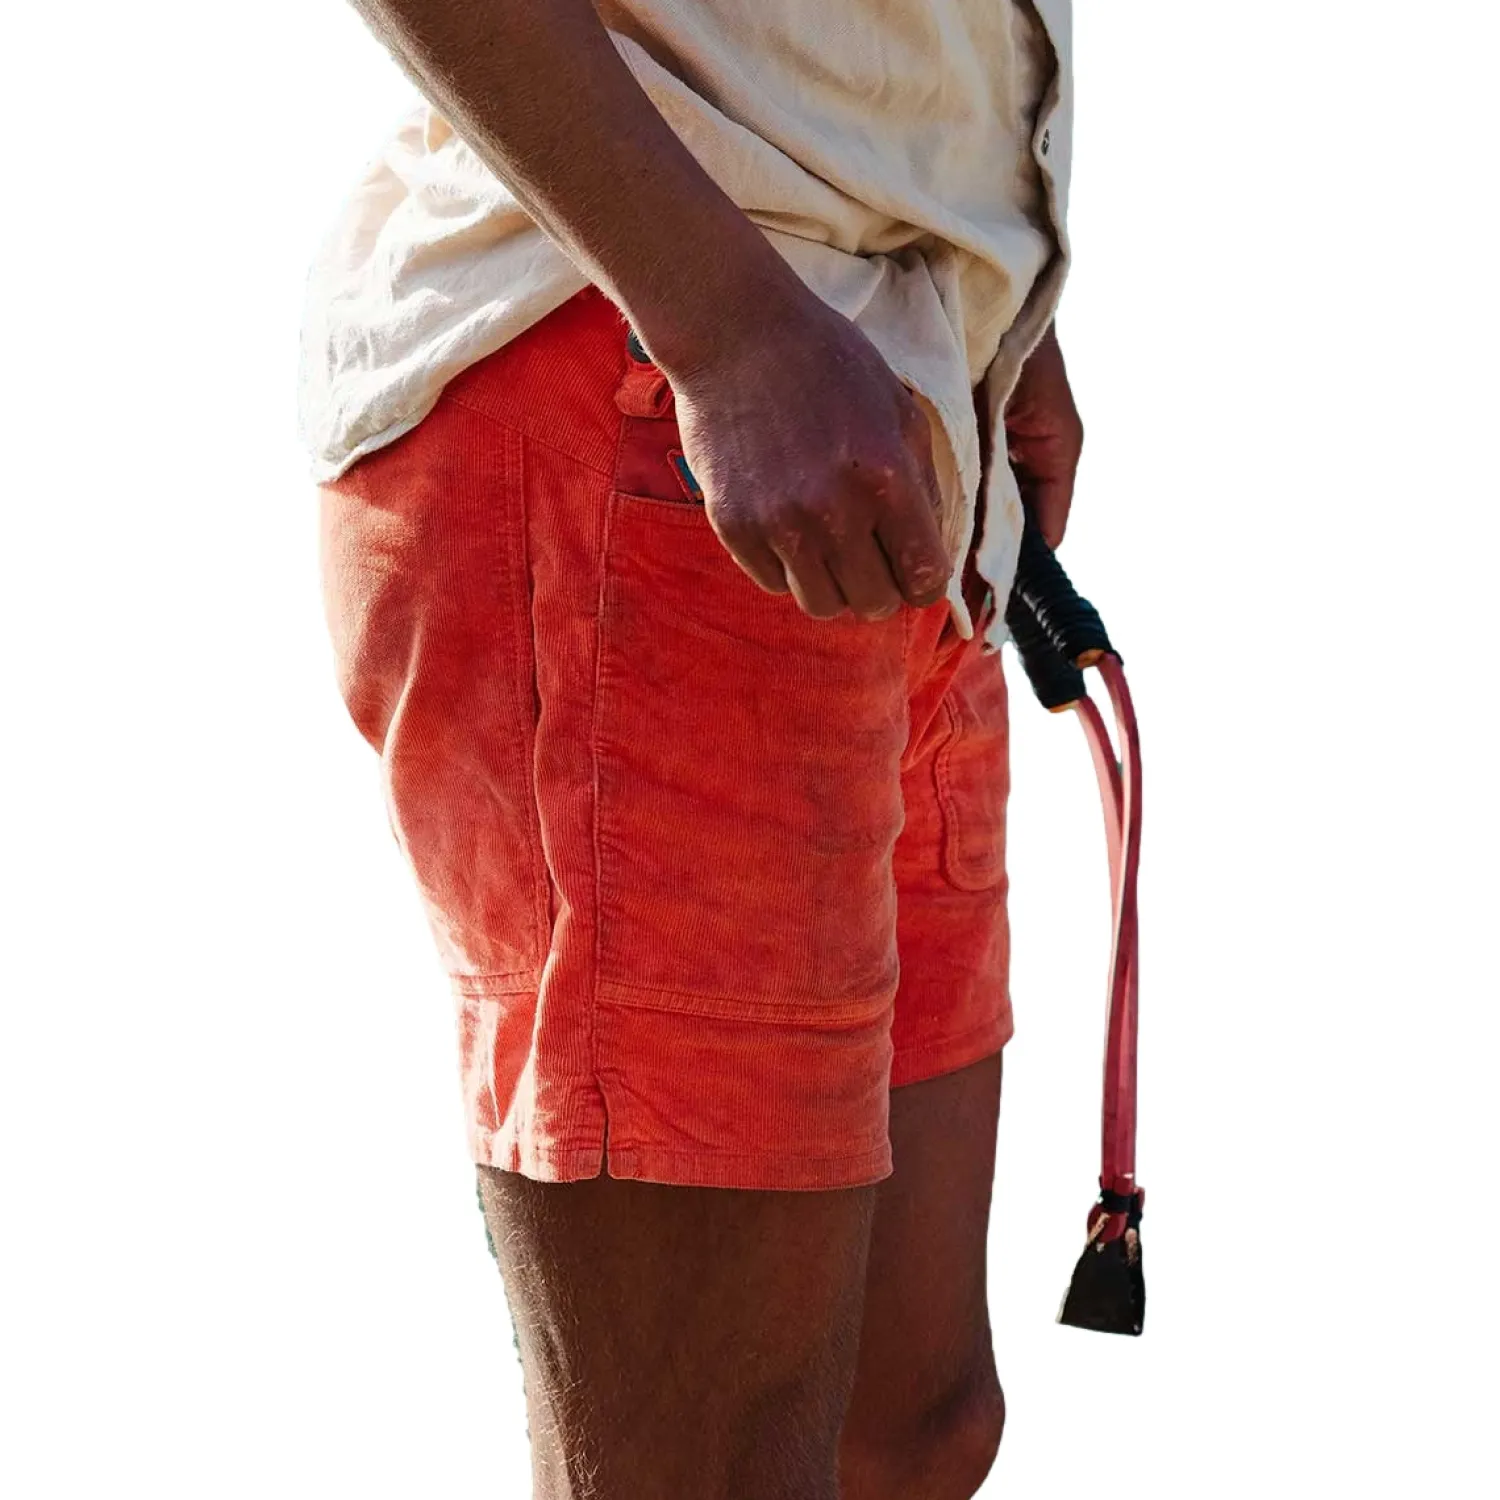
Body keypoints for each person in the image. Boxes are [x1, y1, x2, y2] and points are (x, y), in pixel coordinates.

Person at [303, 2, 1083, 1495]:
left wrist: (1005, 292)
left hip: (892, 400)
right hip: (662, 388)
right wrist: (722, 323)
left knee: (908, 1430)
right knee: (706, 1470)